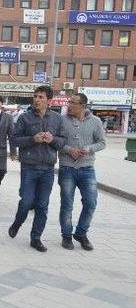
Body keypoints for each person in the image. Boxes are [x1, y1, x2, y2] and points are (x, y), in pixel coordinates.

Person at [8, 85, 66, 252]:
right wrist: (33, 139)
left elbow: (62, 142)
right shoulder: (24, 118)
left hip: (48, 169)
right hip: (29, 167)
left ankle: (36, 237)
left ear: (49, 100)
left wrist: (52, 140)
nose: (37, 99)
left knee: (42, 205)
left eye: (41, 97)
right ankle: (18, 222)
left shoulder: (57, 119)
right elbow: (14, 140)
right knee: (26, 201)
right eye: (35, 96)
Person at [58, 93, 106, 251]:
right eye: (69, 102)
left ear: (82, 106)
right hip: (67, 168)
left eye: (72, 103)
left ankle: (81, 233)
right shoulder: (62, 120)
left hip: (87, 169)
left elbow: (102, 143)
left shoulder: (96, 121)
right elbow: (56, 142)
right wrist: (68, 149)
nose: (69, 105)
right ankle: (66, 235)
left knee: (91, 203)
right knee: (67, 204)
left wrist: (89, 148)